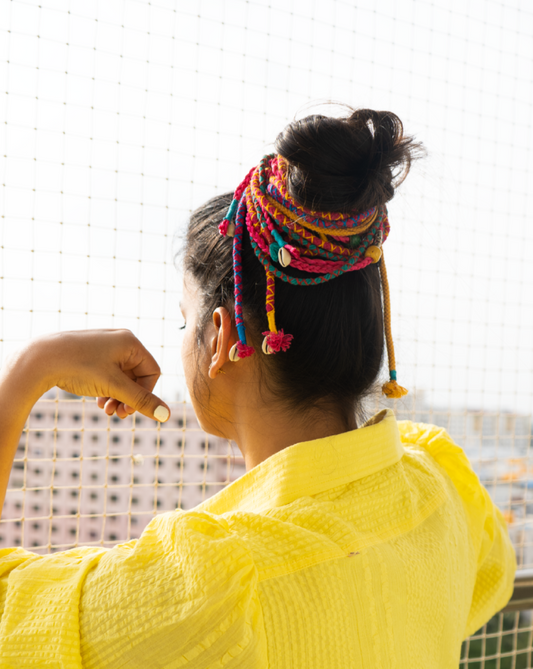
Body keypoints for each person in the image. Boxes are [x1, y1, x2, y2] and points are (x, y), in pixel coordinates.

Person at [0, 106, 516, 667]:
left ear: (221, 337)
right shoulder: (441, 488)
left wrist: (32, 368)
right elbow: (493, 577)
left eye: (183, 321)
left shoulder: (207, 591)